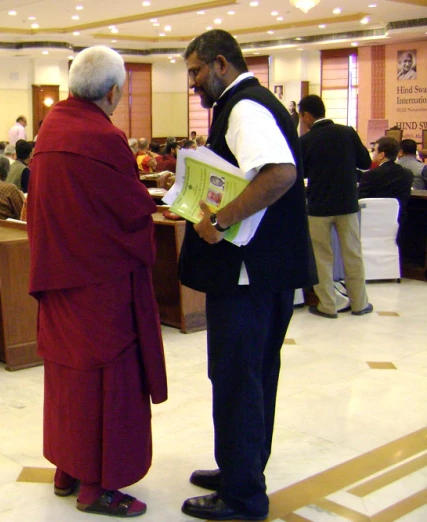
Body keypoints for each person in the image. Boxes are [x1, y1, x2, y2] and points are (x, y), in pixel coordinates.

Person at [179, 30, 314, 521]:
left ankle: (242, 496)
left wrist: (217, 220)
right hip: (266, 272)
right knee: (254, 375)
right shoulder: (256, 104)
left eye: (195, 72)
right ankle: (242, 467)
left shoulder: (244, 108)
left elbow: (278, 173)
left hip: (247, 273)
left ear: (220, 64)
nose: (193, 83)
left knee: (237, 378)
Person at [27, 45, 167, 518]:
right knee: (108, 384)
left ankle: (68, 469)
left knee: (68, 377)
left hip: (59, 273)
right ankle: (97, 487)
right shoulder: (103, 138)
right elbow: (129, 212)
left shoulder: (51, 129)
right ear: (112, 92)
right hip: (100, 284)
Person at [299, 94, 373, 318]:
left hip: (318, 207)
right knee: (353, 254)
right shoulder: (347, 133)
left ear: (307, 116)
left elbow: (301, 174)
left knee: (322, 257)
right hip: (347, 205)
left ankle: (328, 305)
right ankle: (359, 303)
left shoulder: (305, 141)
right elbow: (366, 163)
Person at [358, 137, 414, 235]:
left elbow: (360, 200)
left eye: (374, 150)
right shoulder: (408, 174)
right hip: (398, 222)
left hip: (371, 224)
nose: (372, 153)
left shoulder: (370, 175)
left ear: (382, 155)